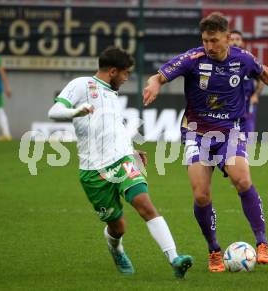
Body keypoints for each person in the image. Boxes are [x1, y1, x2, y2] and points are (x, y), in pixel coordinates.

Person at [143, 12, 268, 272]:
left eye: (214, 40)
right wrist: (154, 85)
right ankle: (214, 250)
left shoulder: (241, 59)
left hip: (230, 130)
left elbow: (265, 73)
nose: (209, 46)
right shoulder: (193, 59)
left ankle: (262, 243)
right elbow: (158, 76)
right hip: (196, 133)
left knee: (242, 180)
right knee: (201, 194)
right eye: (205, 40)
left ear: (227, 38)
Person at [48, 46, 192, 278]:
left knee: (145, 204)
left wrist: (132, 150)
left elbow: (113, 128)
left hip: (122, 160)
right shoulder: (81, 85)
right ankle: (116, 249)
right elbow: (54, 111)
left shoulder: (113, 94)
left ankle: (174, 258)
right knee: (118, 227)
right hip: (93, 171)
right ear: (113, 71)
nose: (127, 78)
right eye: (125, 73)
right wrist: (76, 112)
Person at [229, 30, 263, 134]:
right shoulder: (224, 61)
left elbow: (261, 80)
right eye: (232, 39)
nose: (235, 42)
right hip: (229, 103)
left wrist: (255, 95)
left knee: (247, 133)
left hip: (247, 102)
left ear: (242, 42)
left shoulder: (249, 60)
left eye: (237, 39)